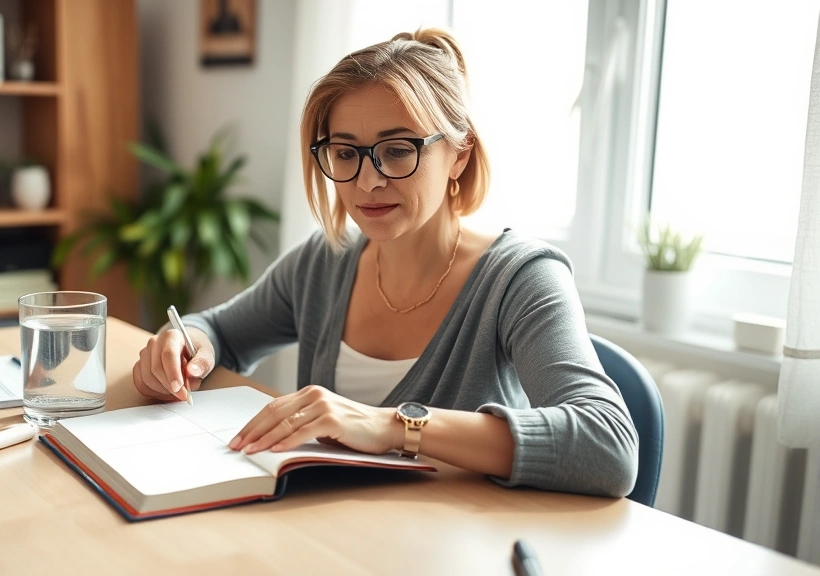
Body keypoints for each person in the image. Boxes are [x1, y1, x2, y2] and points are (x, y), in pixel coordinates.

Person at [132, 28, 638, 497]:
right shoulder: (324, 262)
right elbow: (221, 330)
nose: (367, 182)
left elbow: (609, 445)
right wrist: (186, 344)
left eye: (398, 151)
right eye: (346, 153)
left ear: (459, 154)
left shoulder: (521, 279)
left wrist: (392, 424)